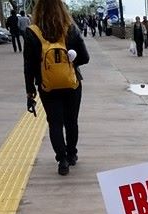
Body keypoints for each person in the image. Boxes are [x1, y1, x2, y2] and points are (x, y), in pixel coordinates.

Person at [23, 0, 89, 176]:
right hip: (72, 83)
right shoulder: (70, 28)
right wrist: (71, 59)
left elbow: (28, 66)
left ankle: (62, 160)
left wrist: (30, 91)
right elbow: (85, 57)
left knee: (55, 123)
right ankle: (72, 153)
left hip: (47, 86)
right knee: (71, 121)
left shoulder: (32, 32)